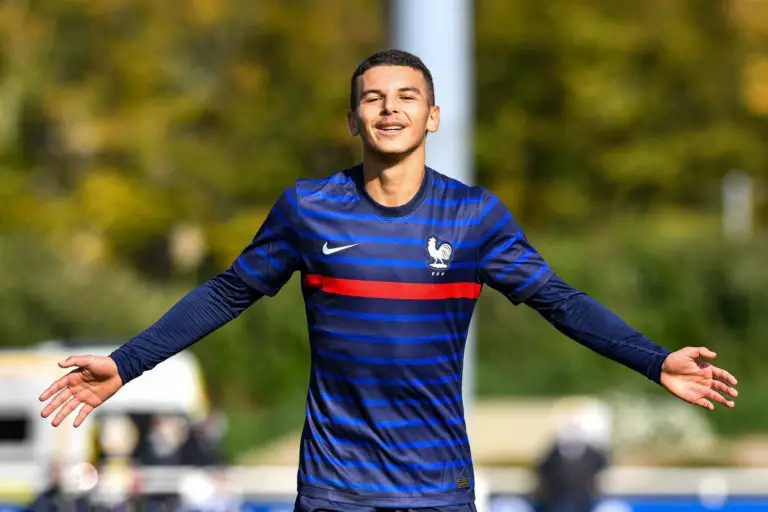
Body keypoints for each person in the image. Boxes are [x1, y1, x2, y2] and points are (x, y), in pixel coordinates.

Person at [39, 49, 739, 512]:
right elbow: (227, 293)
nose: (389, 108)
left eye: (407, 96)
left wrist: (655, 361)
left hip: (437, 489)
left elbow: (559, 302)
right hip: (333, 488)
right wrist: (126, 364)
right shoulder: (308, 208)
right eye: (372, 99)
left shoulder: (474, 216)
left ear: (432, 116)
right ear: (353, 119)